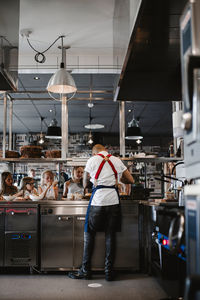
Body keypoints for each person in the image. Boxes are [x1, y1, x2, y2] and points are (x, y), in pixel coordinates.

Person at [68, 144, 134, 281]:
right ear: (106, 151)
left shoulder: (92, 160)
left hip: (97, 200)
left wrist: (94, 181)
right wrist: (116, 179)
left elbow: (85, 183)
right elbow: (130, 180)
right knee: (110, 236)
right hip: (113, 200)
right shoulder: (116, 160)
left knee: (89, 233)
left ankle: (86, 270)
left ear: (94, 153)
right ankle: (109, 272)